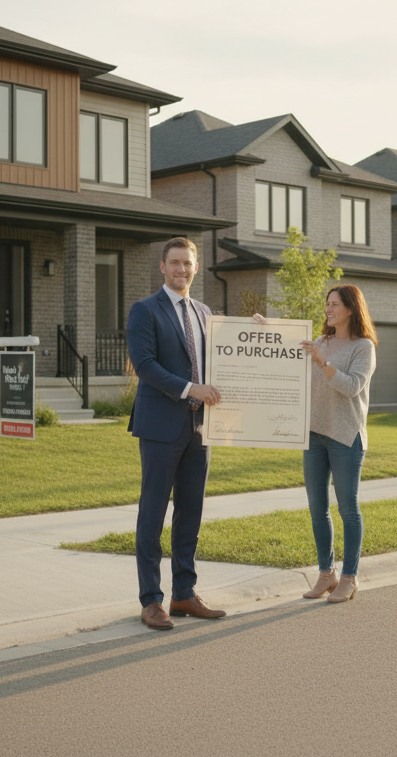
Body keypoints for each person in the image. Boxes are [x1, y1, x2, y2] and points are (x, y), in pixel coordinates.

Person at [126, 237, 226, 630]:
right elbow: (145, 364)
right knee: (152, 513)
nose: (182, 269)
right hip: (161, 425)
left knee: (191, 512)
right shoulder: (144, 310)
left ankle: (184, 593)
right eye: (175, 263)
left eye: (188, 263)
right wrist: (190, 389)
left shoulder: (204, 313)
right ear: (163, 267)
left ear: (196, 268)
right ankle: (151, 600)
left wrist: (251, 333)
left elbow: (226, 357)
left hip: (201, 427)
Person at [296, 285, 377, 603]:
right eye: (326, 303)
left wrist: (323, 363)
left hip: (346, 436)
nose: (328, 309)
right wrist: (265, 330)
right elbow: (288, 360)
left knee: (347, 509)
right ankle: (326, 574)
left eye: (334, 304)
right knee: (317, 508)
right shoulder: (320, 341)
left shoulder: (363, 346)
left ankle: (349, 578)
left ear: (350, 309)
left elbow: (352, 386)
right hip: (314, 434)